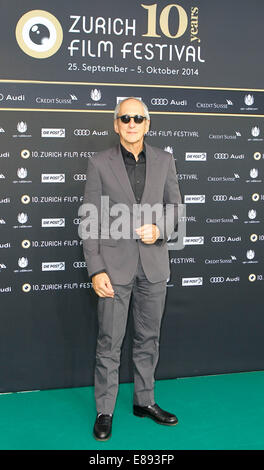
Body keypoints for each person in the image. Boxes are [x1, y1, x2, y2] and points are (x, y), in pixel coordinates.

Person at [81, 97, 182, 441]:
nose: (132, 123)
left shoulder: (165, 160)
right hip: (114, 267)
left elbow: (175, 208)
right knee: (110, 340)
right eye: (125, 118)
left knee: (148, 339)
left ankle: (144, 401)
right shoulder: (99, 163)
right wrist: (96, 269)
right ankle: (105, 410)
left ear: (147, 123)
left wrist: (160, 229)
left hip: (153, 266)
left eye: (138, 117)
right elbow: (89, 219)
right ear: (116, 124)